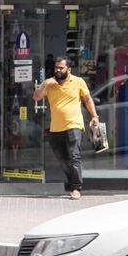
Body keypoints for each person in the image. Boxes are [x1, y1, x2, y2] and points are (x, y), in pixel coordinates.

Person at [32, 56, 99, 200]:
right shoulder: (49, 83)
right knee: (63, 159)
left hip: (74, 124)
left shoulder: (78, 82)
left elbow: (87, 99)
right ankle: (72, 183)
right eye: (56, 67)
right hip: (55, 128)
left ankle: (76, 188)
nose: (58, 70)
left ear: (68, 69)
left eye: (61, 68)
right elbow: (36, 97)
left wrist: (94, 116)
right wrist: (44, 84)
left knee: (74, 156)